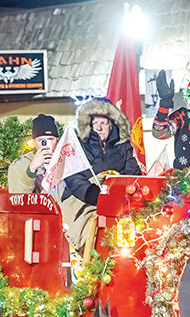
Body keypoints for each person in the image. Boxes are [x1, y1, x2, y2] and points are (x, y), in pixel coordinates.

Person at [60, 98, 142, 250]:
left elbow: (133, 174)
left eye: (103, 123)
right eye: (95, 123)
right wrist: (92, 193)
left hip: (117, 201)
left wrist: (126, 193)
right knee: (92, 231)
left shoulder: (123, 146)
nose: (99, 127)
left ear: (111, 124)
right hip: (85, 201)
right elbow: (72, 176)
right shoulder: (78, 145)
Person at [8, 113, 60, 194]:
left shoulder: (66, 162)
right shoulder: (20, 165)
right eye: (41, 140)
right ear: (34, 143)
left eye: (50, 139)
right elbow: (18, 198)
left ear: (57, 141)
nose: (46, 144)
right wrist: (31, 170)